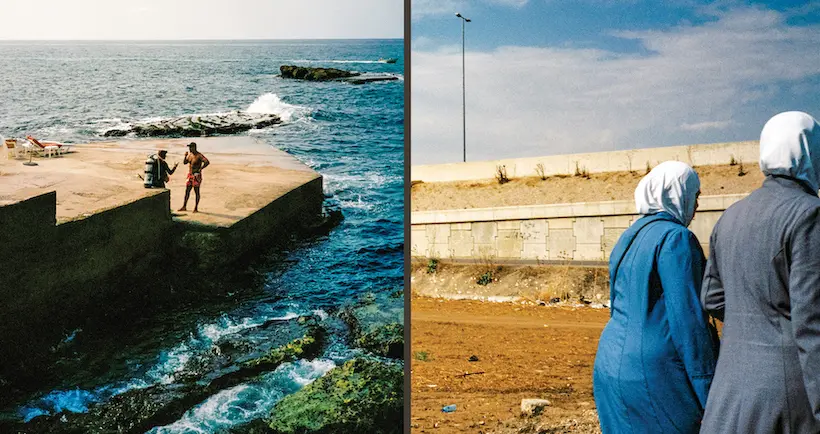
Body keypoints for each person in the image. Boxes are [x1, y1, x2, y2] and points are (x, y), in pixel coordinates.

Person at [700, 111, 820, 433]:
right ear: (810, 152)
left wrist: (754, 321)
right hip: (787, 400)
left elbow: (711, 298)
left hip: (730, 390)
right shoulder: (809, 214)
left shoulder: (732, 215)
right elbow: (812, 325)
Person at [592, 161, 719, 433]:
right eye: (695, 195)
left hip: (610, 365)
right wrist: (708, 389)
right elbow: (689, 322)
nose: (697, 205)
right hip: (654, 374)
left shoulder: (630, 235)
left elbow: (617, 305)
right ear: (676, 193)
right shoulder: (677, 239)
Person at [178, 142, 209, 213]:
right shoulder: (190, 155)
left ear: (194, 147)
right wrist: (185, 156)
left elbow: (207, 162)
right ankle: (184, 206)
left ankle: (196, 208)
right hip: (190, 175)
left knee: (196, 191)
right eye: (189, 147)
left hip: (196, 175)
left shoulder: (199, 155)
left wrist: (201, 168)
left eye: (190, 147)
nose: (189, 149)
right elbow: (185, 162)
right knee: (187, 191)